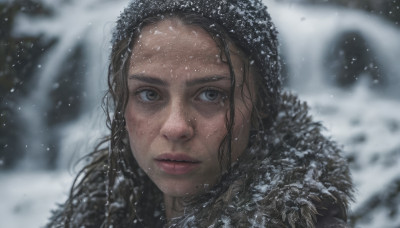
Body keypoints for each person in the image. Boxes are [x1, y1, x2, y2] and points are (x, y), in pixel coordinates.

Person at [47, 0, 353, 227]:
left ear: (261, 106)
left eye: (211, 95)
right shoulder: (90, 216)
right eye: (149, 94)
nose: (176, 127)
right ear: (121, 98)